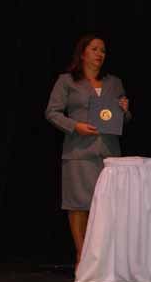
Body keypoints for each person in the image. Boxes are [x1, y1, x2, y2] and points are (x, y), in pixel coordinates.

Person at [45, 34, 130, 266]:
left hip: (109, 153)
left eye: (103, 50)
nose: (99, 54)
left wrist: (124, 110)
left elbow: (122, 119)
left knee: (105, 206)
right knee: (78, 204)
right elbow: (52, 112)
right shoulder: (67, 81)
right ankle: (81, 255)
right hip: (79, 152)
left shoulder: (114, 82)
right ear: (82, 53)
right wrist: (75, 126)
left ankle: (100, 255)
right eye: (94, 49)